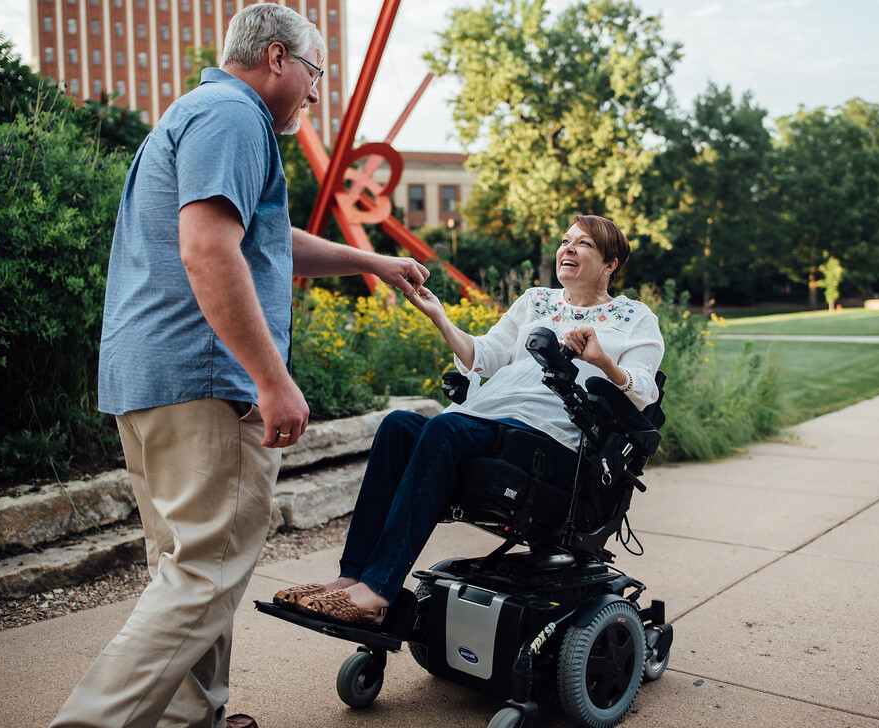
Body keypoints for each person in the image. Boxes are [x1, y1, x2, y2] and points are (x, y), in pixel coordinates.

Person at [49, 5, 428, 728]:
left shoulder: (203, 113)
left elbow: (261, 237)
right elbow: (208, 249)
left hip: (151, 379)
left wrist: (372, 261)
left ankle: (191, 719)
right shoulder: (234, 116)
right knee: (203, 575)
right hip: (203, 379)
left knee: (192, 574)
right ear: (279, 58)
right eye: (315, 74)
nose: (317, 95)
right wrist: (272, 378)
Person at [274, 214, 664, 626]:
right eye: (565, 241)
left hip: (555, 439)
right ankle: (351, 575)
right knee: (398, 426)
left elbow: (643, 391)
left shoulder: (634, 318)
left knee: (445, 428)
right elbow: (485, 356)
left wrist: (603, 360)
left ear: (610, 264)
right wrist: (439, 317)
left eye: (582, 244)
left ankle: (378, 589)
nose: (567, 249)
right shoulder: (536, 300)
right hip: (493, 418)